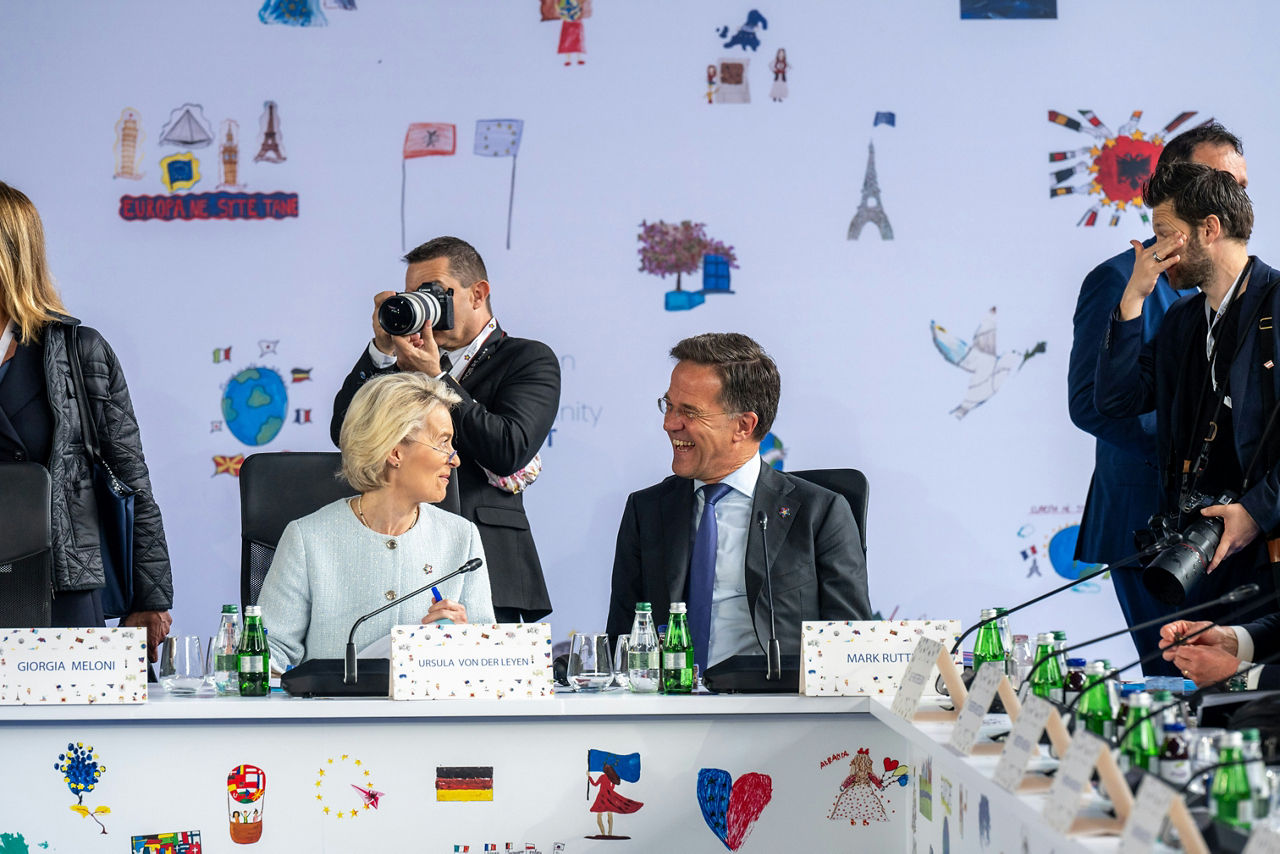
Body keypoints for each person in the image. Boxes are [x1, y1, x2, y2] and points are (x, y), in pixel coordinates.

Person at [1069, 124, 1248, 670]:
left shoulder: (1251, 290)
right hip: (1146, 515)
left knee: (1236, 682)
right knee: (1174, 682)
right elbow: (1090, 403)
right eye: (1221, 180)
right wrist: (1187, 451)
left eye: (1241, 183)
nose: (1235, 194)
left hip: (1232, 523)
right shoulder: (1120, 280)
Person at [1094, 161, 1280, 686]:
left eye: (1163, 235)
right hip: (1203, 552)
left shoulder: (1277, 304)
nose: (1154, 252)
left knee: (1255, 716)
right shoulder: (1181, 318)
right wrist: (1133, 299)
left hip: (1267, 547)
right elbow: (1115, 398)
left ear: (1210, 229)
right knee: (1201, 706)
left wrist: (1255, 512)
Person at [606, 333, 870, 673]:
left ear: (743, 426)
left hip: (777, 712)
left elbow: (850, 646)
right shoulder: (647, 511)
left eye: (689, 412)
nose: (670, 423)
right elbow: (621, 641)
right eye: (669, 405)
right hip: (664, 709)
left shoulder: (820, 512)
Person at [331, 236, 559, 624]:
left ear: (478, 293)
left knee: (479, 681)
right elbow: (346, 434)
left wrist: (436, 376)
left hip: (485, 558)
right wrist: (382, 351)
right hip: (396, 558)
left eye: (437, 294)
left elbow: (509, 448)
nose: (429, 307)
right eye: (416, 295)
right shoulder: (402, 364)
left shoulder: (526, 358)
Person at [0, 181, 172, 655]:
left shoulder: (78, 350)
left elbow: (130, 477)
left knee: (66, 731)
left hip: (63, 592)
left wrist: (148, 597)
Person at [263, 372, 495, 666]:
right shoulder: (308, 538)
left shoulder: (462, 537)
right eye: (443, 442)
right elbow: (269, 653)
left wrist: (466, 637)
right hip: (331, 711)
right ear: (395, 451)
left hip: (428, 711)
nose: (455, 458)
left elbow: (488, 658)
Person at [828, 749, 887, 826]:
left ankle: (864, 819)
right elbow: (850, 780)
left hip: (865, 789)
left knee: (866, 804)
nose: (862, 765)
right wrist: (844, 786)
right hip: (856, 788)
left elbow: (874, 780)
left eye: (864, 763)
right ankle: (852, 819)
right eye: (860, 763)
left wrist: (880, 786)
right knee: (852, 803)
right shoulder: (855, 774)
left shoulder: (868, 774)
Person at [586, 763, 642, 839]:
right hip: (608, 796)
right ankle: (609, 833)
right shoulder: (611, 778)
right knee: (609, 814)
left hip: (602, 796)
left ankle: (603, 833)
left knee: (600, 815)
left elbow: (595, 784)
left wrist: (589, 777)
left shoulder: (603, 777)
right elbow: (612, 787)